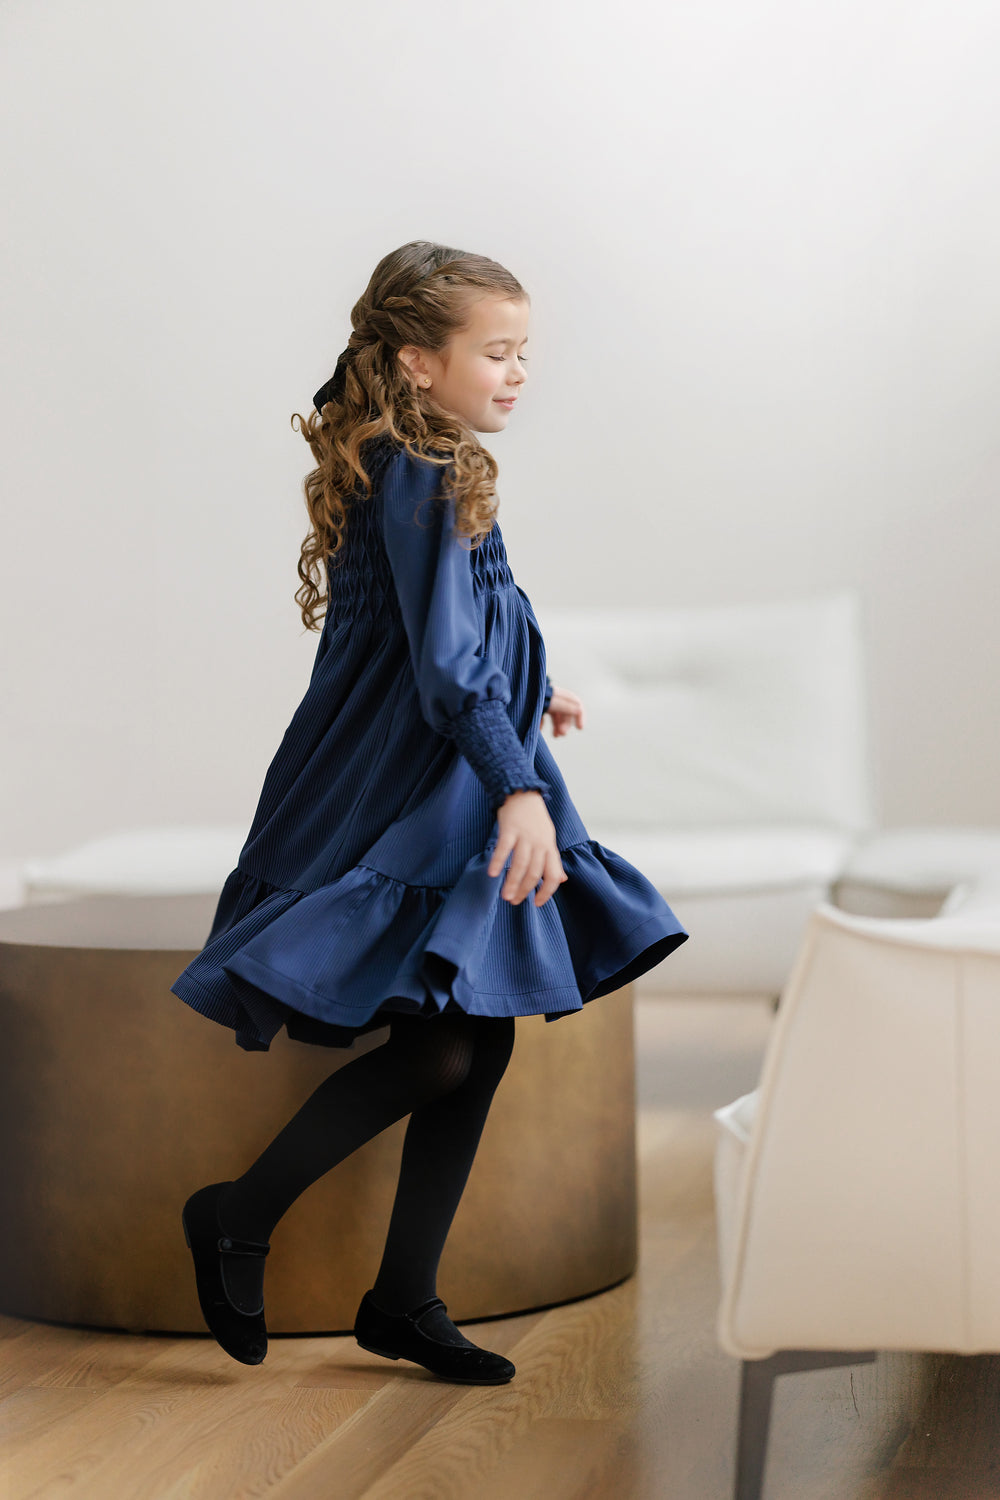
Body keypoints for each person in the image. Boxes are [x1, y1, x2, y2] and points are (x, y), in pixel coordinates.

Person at [171, 240, 688, 1386]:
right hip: (418, 780)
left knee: (473, 1032)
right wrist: (517, 785)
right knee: (450, 1045)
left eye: (523, 352)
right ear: (417, 361)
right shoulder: (421, 467)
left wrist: (529, 683)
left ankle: (402, 1297)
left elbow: (461, 622)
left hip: (431, 761)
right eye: (496, 352)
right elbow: (445, 663)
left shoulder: (413, 455)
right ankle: (241, 1214)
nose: (519, 373)